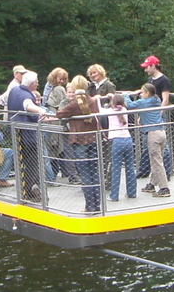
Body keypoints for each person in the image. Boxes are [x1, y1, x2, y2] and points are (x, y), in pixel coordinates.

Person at [56, 75, 101, 213]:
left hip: (80, 141)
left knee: (85, 174)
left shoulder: (75, 103)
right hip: (93, 140)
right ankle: (97, 206)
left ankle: (89, 206)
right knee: (94, 173)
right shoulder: (92, 101)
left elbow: (60, 114)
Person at [7, 70, 48, 202]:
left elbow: (0, 99)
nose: (38, 84)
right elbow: (27, 105)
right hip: (28, 136)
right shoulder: (26, 95)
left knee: (22, 162)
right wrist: (41, 110)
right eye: (36, 82)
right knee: (32, 163)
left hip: (17, 133)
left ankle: (25, 191)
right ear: (31, 84)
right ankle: (31, 191)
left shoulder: (14, 90)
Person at [125, 83, 170, 198]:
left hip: (153, 134)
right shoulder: (156, 99)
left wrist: (127, 95)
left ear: (147, 93)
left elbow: (129, 105)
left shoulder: (143, 102)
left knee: (156, 162)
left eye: (142, 92)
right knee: (156, 159)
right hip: (162, 132)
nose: (140, 94)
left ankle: (164, 188)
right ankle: (152, 184)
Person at [95, 93, 136, 201]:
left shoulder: (110, 111)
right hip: (128, 139)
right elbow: (119, 103)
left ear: (112, 103)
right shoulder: (125, 109)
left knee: (116, 169)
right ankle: (132, 193)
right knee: (130, 167)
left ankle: (114, 195)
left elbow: (100, 110)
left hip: (117, 141)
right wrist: (113, 97)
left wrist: (98, 99)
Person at [44, 68, 79, 183]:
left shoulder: (49, 87)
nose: (62, 81)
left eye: (64, 79)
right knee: (62, 149)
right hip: (60, 124)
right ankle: (68, 175)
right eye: (60, 78)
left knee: (61, 149)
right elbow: (62, 109)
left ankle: (64, 173)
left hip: (55, 122)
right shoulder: (59, 90)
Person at [139, 55, 173, 178]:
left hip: (156, 118)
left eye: (147, 67)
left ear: (153, 66)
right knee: (146, 143)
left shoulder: (164, 80)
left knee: (163, 146)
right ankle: (144, 171)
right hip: (147, 116)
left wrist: (158, 115)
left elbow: (165, 99)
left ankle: (167, 172)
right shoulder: (150, 81)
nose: (145, 70)